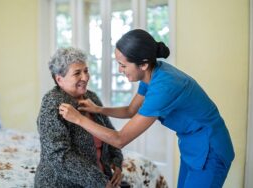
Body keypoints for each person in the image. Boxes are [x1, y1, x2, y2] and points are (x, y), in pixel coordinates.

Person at [58, 29, 235, 188]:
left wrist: (78, 119)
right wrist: (99, 109)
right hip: (192, 145)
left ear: (143, 64)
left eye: (124, 65)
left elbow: (120, 139)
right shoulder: (151, 74)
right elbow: (130, 110)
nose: (120, 70)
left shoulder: (164, 86)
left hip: (210, 149)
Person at [34, 47, 126, 188]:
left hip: (102, 179)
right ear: (59, 79)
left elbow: (109, 133)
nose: (85, 77)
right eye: (77, 73)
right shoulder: (52, 104)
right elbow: (59, 156)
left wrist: (117, 163)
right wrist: (101, 182)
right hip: (62, 183)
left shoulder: (91, 97)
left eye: (86, 70)